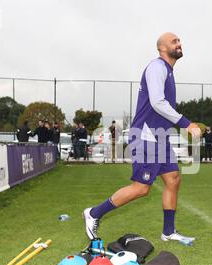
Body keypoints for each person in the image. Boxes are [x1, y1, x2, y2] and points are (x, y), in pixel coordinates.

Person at [82, 32, 201, 244]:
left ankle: (168, 231)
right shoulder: (157, 67)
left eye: (179, 41)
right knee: (141, 188)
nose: (179, 44)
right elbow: (157, 102)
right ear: (162, 48)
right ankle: (93, 213)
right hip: (146, 136)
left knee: (173, 179)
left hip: (160, 137)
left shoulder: (168, 71)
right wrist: (186, 123)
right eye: (174, 41)